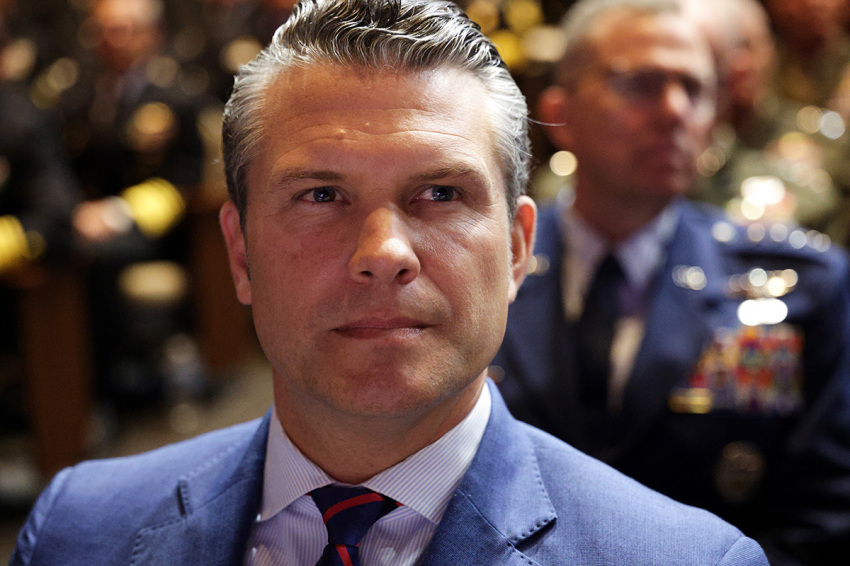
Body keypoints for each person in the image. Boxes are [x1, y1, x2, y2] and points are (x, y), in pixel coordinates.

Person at [11, 1, 769, 564]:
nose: (383, 252)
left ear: (516, 249)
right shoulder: (80, 530)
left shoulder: (688, 558)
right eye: (321, 196)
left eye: (440, 194)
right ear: (240, 256)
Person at [492, 0, 850, 564]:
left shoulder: (802, 288)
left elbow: (820, 523)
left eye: (696, 89)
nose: (676, 111)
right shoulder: (484, 268)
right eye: (642, 83)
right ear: (559, 114)